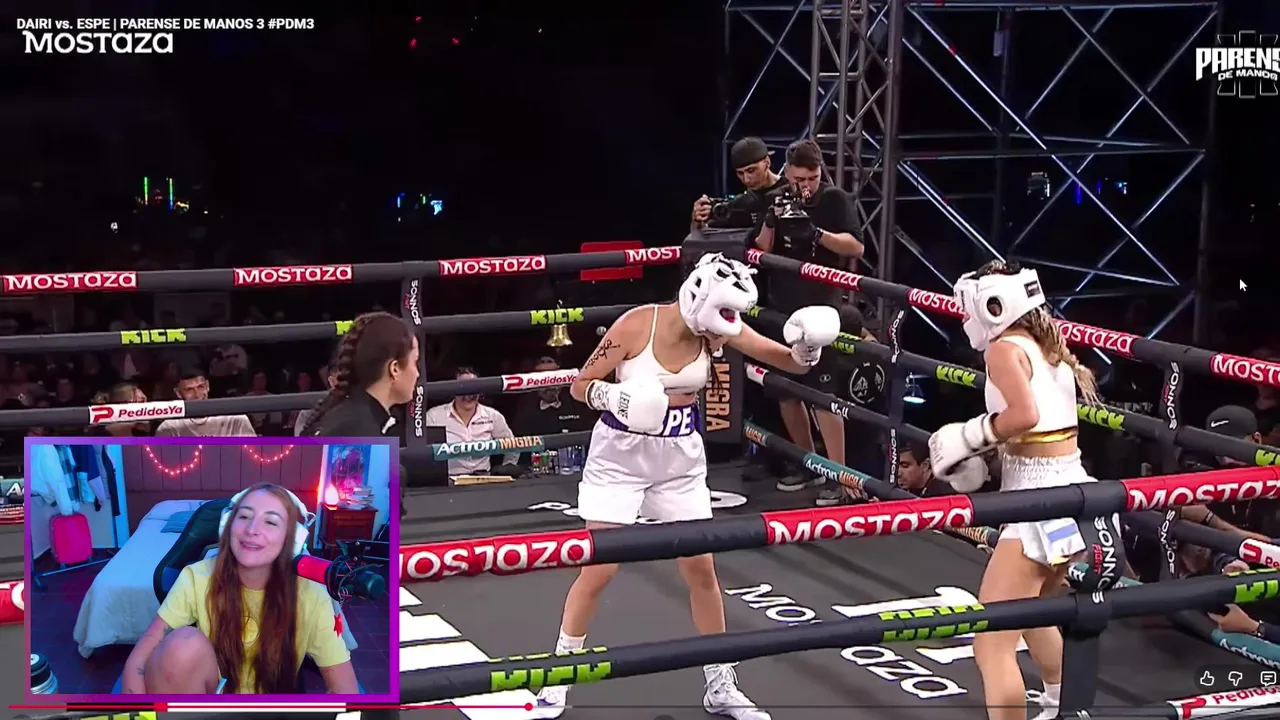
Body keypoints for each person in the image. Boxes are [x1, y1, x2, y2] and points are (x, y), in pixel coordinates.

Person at [532, 252, 841, 720]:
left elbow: (786, 362)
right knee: (599, 570)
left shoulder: (717, 327)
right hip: (620, 455)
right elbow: (581, 385)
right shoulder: (637, 325)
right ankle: (558, 679)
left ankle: (720, 683)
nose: (725, 332)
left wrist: (806, 351)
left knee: (701, 570)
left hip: (680, 456)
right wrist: (613, 396)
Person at [925, 260, 1115, 720]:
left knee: (991, 643)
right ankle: (1061, 704)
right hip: (1069, 491)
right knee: (1037, 612)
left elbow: (1025, 415)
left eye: (968, 306)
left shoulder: (1003, 349)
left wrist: (969, 437)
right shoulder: (1046, 346)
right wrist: (982, 456)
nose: (964, 315)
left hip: (1040, 504)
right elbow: (1038, 433)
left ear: (992, 304)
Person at [121, 484, 358, 694]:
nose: (252, 529)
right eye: (244, 516)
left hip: (274, 709)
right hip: (213, 702)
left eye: (270, 521)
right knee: (182, 644)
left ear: (292, 540)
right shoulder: (197, 577)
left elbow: (344, 688)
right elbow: (141, 657)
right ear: (227, 526)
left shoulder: (312, 593)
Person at [753, 139, 865, 506]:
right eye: (799, 178)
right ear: (787, 172)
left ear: (820, 172)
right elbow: (762, 248)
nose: (805, 185)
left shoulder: (834, 199)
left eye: (812, 178)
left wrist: (817, 234)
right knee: (786, 391)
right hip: (782, 305)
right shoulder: (778, 197)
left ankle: (840, 476)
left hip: (821, 307)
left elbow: (856, 247)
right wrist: (771, 220)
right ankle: (809, 464)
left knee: (822, 396)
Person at [301, 312, 419, 438]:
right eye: (414, 362)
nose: (417, 373)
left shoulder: (343, 414)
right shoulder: (363, 431)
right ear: (394, 369)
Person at [424, 366, 519, 476]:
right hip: (449, 480)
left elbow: (513, 446)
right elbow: (422, 453)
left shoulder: (493, 416)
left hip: (484, 479)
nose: (468, 395)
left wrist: (507, 470)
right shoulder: (434, 417)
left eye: (473, 388)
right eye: (463, 388)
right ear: (453, 390)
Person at [156, 368, 256, 437]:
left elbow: (252, 454)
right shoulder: (169, 428)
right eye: (189, 390)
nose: (197, 394)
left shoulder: (236, 420)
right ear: (178, 393)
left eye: (200, 387)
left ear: (207, 386)